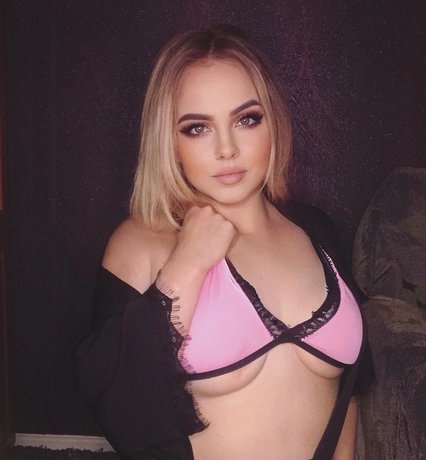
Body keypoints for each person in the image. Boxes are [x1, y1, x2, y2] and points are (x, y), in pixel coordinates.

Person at [75, 25, 372, 460]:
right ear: (168, 140)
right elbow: (117, 402)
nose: (227, 149)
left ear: (274, 122)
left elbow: (350, 392)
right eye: (197, 128)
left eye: (246, 119)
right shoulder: (143, 242)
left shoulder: (315, 230)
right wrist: (187, 266)